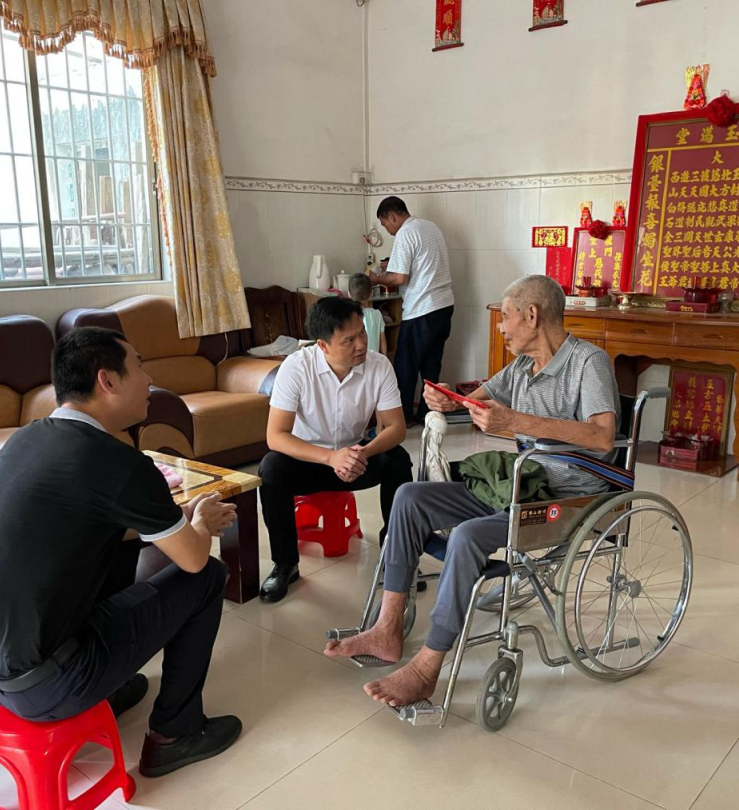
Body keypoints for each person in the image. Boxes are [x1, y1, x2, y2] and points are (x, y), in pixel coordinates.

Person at [0, 327, 242, 779]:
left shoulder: (25, 440)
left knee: (113, 540)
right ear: (106, 380)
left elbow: (100, 523)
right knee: (207, 578)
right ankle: (176, 734)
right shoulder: (119, 463)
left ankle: (108, 687)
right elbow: (193, 559)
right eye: (139, 366)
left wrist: (178, 520)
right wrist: (200, 524)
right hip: (48, 686)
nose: (149, 380)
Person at [325, 275, 620, 708]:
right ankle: (387, 628)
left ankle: (428, 666)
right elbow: (476, 400)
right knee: (409, 497)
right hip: (517, 482)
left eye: (506, 317)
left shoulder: (588, 363)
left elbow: (603, 436)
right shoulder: (521, 366)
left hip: (566, 496)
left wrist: (515, 422)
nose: (501, 326)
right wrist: (448, 400)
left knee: (467, 536)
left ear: (532, 316)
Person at [258, 296, 413, 602]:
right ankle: (285, 564)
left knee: (398, 460)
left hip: (357, 459)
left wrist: (362, 453)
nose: (361, 345)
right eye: (349, 340)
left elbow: (396, 428)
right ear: (323, 345)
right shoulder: (296, 368)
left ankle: (394, 556)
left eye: (362, 333)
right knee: (271, 467)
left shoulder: (379, 365)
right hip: (309, 461)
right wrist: (331, 458)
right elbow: (275, 436)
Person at [369, 196, 454, 425]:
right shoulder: (429, 227)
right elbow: (422, 264)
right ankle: (428, 415)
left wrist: (376, 278)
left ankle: (402, 418)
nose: (388, 231)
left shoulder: (405, 233)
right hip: (444, 306)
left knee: (405, 366)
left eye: (385, 224)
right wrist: (391, 266)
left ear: (392, 216)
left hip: (421, 309)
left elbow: (399, 278)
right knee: (431, 366)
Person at [349, 272, 388, 356]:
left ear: (349, 295)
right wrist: (385, 358)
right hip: (374, 358)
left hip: (358, 357)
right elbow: (383, 340)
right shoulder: (377, 314)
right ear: (371, 293)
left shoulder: (351, 315)